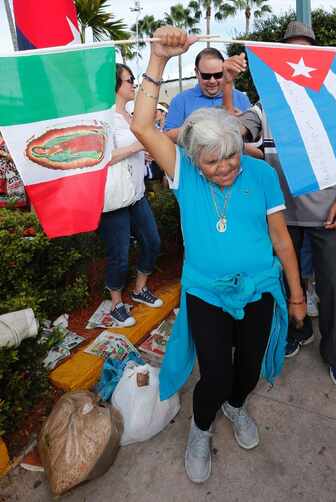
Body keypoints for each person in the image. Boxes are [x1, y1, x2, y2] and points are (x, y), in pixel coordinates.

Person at [131, 26, 306, 484]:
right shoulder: (184, 173)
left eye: (229, 157)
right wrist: (157, 60)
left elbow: (282, 240)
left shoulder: (260, 172)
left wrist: (298, 294)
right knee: (213, 373)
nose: (225, 167)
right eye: (212, 162)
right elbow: (142, 127)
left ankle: (236, 406)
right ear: (194, 158)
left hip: (261, 287)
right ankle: (200, 427)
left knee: (248, 369)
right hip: (206, 292)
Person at [224, 21, 336, 391]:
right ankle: (299, 331)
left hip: (328, 212)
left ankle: (333, 351)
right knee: (284, 281)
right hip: (282, 216)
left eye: (306, 51)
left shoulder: (331, 106)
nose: (298, 58)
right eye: (291, 51)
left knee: (331, 285)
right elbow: (232, 132)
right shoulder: (267, 106)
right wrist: (231, 85)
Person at [98, 63, 163, 328]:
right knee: (119, 255)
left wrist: (143, 152)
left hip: (136, 193)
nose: (133, 84)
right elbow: (102, 157)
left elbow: (132, 150)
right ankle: (116, 303)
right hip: (113, 199)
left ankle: (139, 289)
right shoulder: (103, 118)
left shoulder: (129, 116)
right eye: (129, 80)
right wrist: (139, 144)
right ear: (115, 86)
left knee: (152, 242)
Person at [164, 47, 251, 142]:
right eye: (206, 76)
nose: (212, 81)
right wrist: (198, 128)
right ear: (197, 72)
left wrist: (244, 123)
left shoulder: (241, 98)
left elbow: (254, 136)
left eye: (218, 75)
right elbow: (167, 136)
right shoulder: (180, 100)